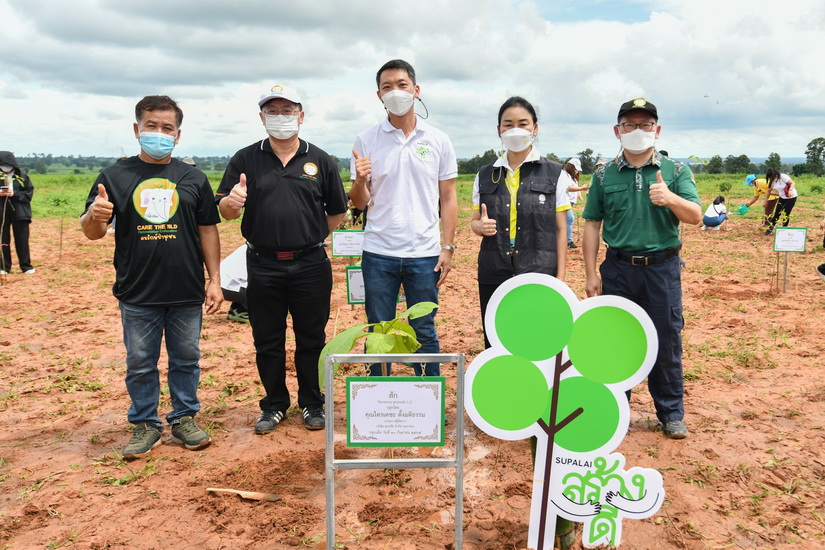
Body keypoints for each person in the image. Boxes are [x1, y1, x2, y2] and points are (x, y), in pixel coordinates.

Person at [80, 95, 221, 459]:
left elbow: (208, 230)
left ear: (178, 134)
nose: (158, 133)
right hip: (137, 290)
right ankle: (145, 424)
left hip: (186, 290)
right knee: (140, 361)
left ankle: (184, 418)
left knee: (186, 358)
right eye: (151, 126)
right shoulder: (114, 176)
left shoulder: (192, 177)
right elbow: (92, 232)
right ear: (136, 129)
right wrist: (95, 215)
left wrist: (215, 279)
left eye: (167, 128)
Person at [216, 84, 347, 434]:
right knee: (267, 339)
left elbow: (336, 212)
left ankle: (311, 402)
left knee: (311, 338)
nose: (280, 117)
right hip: (262, 264)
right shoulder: (245, 159)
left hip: (310, 264)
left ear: (301, 116)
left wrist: (311, 236)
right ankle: (274, 404)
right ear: (262, 117)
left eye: (288, 111)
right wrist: (233, 201)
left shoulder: (320, 159)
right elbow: (226, 209)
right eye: (272, 111)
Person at [582, 98, 702, 440]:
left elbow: (695, 215)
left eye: (645, 125)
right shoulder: (604, 174)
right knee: (614, 343)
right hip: (617, 269)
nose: (638, 131)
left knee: (666, 341)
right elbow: (591, 223)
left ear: (657, 130)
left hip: (661, 270)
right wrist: (591, 273)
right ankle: (615, 412)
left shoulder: (676, 172)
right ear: (617, 131)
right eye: (630, 125)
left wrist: (670, 198)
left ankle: (671, 413)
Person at [349, 59, 458, 377]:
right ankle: (376, 401)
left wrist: (447, 248)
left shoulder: (437, 140)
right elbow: (360, 202)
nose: (394, 92)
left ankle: (427, 399)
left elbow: (449, 198)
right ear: (378, 95)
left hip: (424, 254)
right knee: (378, 332)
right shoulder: (366, 140)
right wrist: (358, 180)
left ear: (416, 90)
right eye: (386, 87)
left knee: (424, 329)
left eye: (401, 84)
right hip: (379, 252)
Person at [470, 96, 571, 348]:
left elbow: (561, 229)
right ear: (498, 130)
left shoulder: (555, 173)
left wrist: (560, 276)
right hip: (494, 270)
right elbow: (474, 222)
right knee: (496, 340)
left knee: (537, 342)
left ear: (535, 129)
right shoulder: (485, 174)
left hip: (539, 270)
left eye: (523, 123)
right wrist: (480, 227)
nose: (515, 129)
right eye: (508, 124)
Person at [0, 151, 35, 275]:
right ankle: (4, 267)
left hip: (20, 212)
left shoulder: (22, 176)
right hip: (2, 212)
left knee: (22, 239)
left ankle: (26, 266)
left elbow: (28, 195)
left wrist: (14, 194)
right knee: (3, 239)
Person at [563, 158, 589, 249]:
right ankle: (569, 241)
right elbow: (567, 188)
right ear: (571, 167)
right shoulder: (564, 175)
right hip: (564, 201)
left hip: (570, 202)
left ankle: (562, 240)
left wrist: (579, 195)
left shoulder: (573, 177)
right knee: (570, 219)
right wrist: (581, 189)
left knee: (565, 221)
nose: (576, 171)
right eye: (575, 168)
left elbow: (576, 187)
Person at [220, 244, 249, 323]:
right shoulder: (259, 250)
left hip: (222, 287)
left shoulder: (250, 245)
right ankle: (243, 311)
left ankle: (235, 308)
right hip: (228, 289)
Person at [764, 168, 798, 235]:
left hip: (791, 197)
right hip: (782, 197)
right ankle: (770, 229)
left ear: (776, 175)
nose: (773, 178)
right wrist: (765, 201)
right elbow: (768, 191)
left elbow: (792, 183)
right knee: (777, 213)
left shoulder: (783, 177)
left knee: (786, 214)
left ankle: (784, 229)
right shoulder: (772, 181)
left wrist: (790, 190)